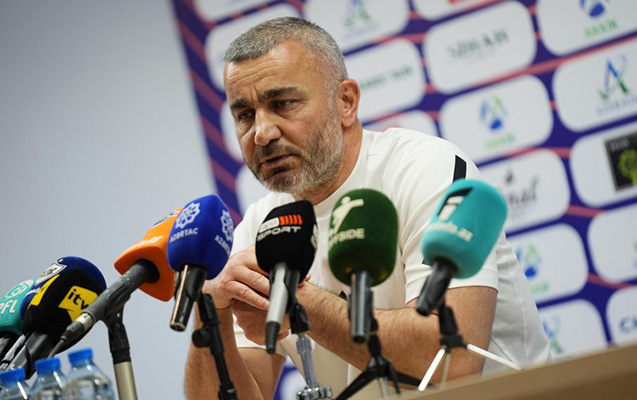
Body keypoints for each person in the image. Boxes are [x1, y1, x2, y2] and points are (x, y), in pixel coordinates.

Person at [184, 16, 550, 400]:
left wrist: (295, 301)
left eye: (283, 104)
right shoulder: (258, 228)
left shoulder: (426, 169)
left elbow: (451, 364)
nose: (262, 132)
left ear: (346, 102)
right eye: (244, 115)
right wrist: (210, 312)